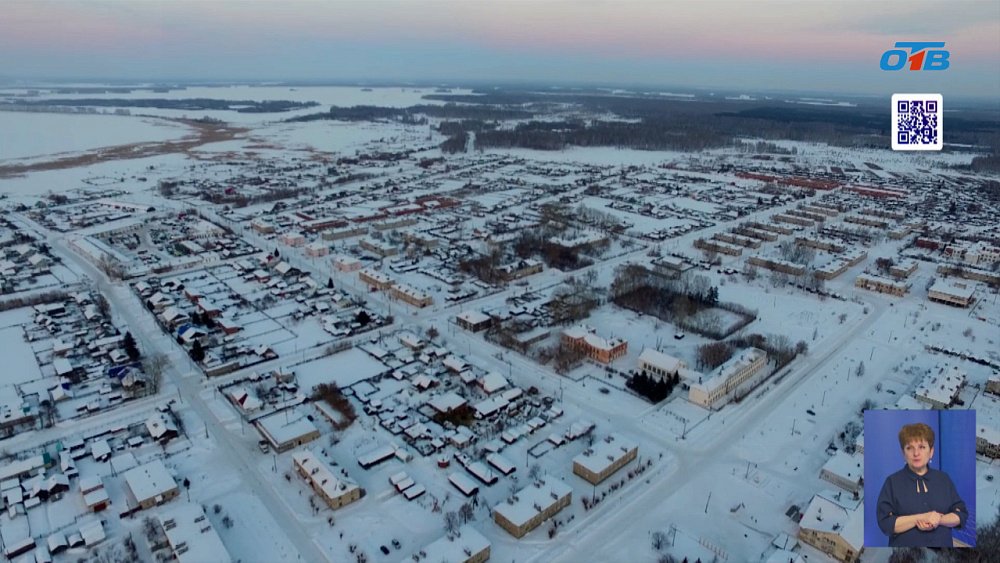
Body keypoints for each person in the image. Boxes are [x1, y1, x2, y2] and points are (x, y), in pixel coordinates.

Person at [876, 422, 968, 547]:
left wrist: (938, 520)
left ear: (931, 452)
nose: (916, 453)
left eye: (922, 447)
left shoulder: (943, 479)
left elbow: (961, 514)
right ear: (903, 453)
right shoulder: (892, 482)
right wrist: (923, 517)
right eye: (910, 448)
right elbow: (886, 523)